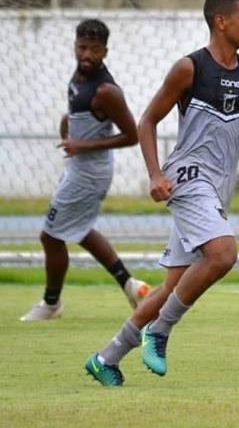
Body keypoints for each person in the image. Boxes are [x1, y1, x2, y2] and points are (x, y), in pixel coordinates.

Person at [85, 0, 239, 386]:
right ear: (221, 22)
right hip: (188, 177)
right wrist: (155, 174)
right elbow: (146, 121)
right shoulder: (189, 68)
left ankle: (105, 357)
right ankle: (159, 332)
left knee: (173, 286)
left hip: (217, 189)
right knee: (223, 253)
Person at [20, 19, 150, 322]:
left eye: (94, 49)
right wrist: (69, 123)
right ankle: (130, 285)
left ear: (105, 51)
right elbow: (83, 115)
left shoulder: (106, 91)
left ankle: (51, 305)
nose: (87, 54)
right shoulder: (79, 76)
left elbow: (132, 136)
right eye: (82, 47)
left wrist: (82, 144)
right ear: (75, 46)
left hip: (89, 173)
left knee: (50, 237)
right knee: (79, 229)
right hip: (79, 167)